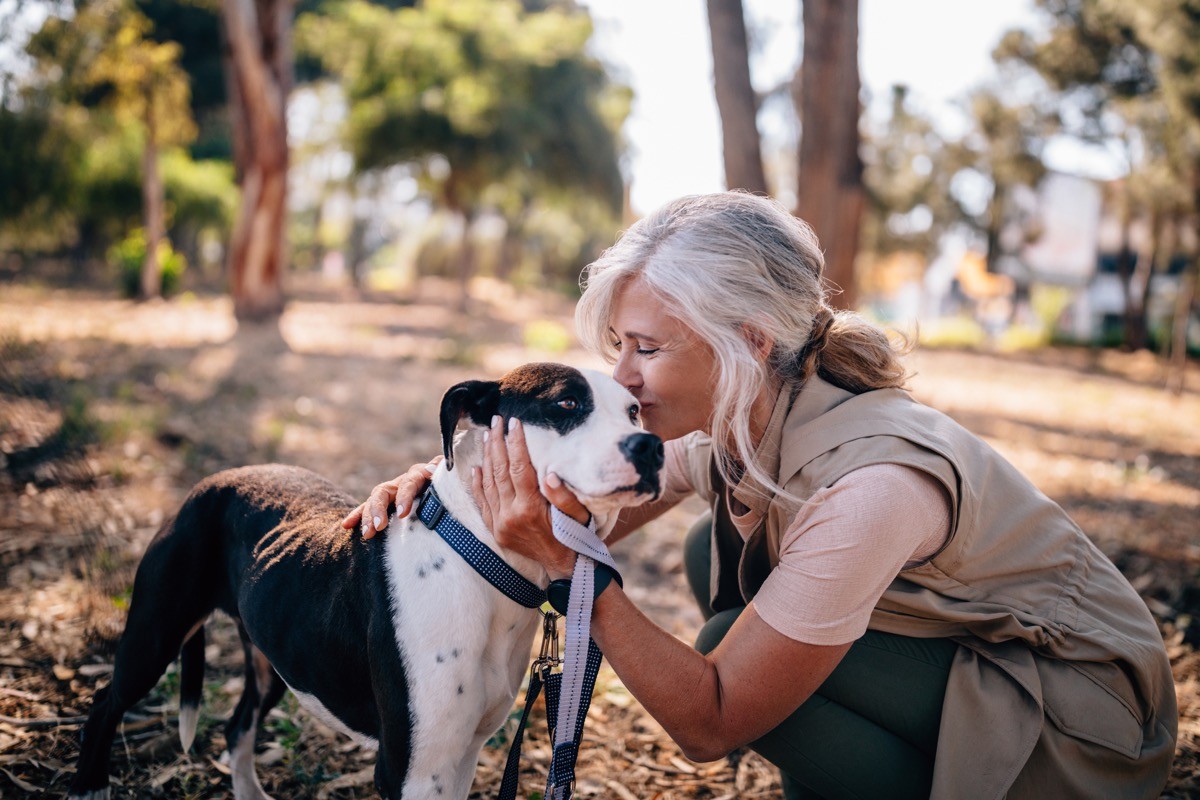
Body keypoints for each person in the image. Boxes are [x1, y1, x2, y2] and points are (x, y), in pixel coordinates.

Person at [342, 192, 1176, 799]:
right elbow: (587, 498)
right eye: (615, 346)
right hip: (978, 653)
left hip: (1080, 726)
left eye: (645, 348)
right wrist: (454, 489)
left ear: (746, 342)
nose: (622, 376)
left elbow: (709, 723)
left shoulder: (872, 488)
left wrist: (573, 574)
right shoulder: (739, 416)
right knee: (719, 551)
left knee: (723, 641)